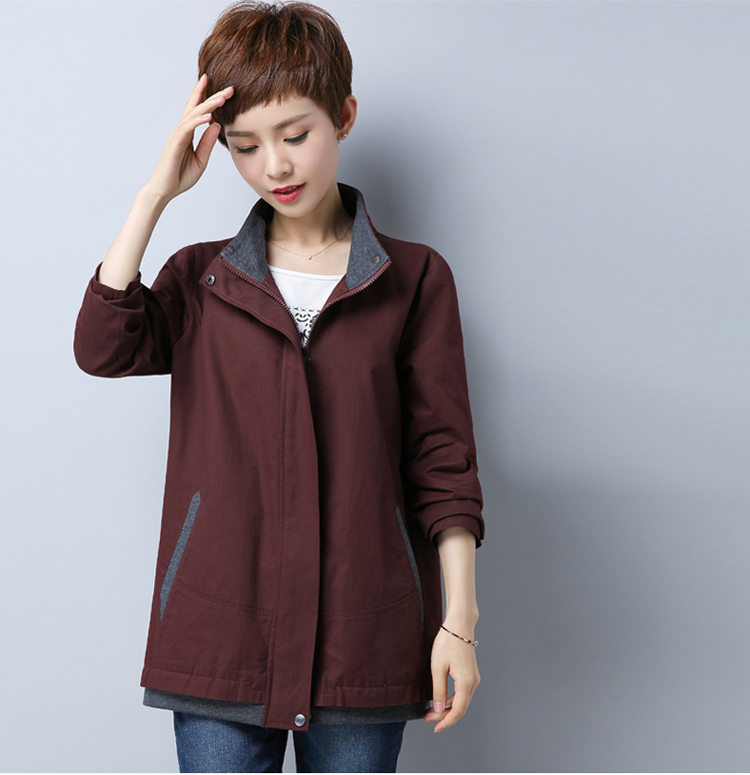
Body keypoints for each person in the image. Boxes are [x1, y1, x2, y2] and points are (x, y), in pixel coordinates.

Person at [73, 1, 485, 771]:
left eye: (296, 135)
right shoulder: (200, 277)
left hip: (363, 638)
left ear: (344, 116)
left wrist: (458, 622)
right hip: (218, 639)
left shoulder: (416, 278)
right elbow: (102, 347)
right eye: (245, 145)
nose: (275, 166)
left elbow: (444, 460)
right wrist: (155, 194)